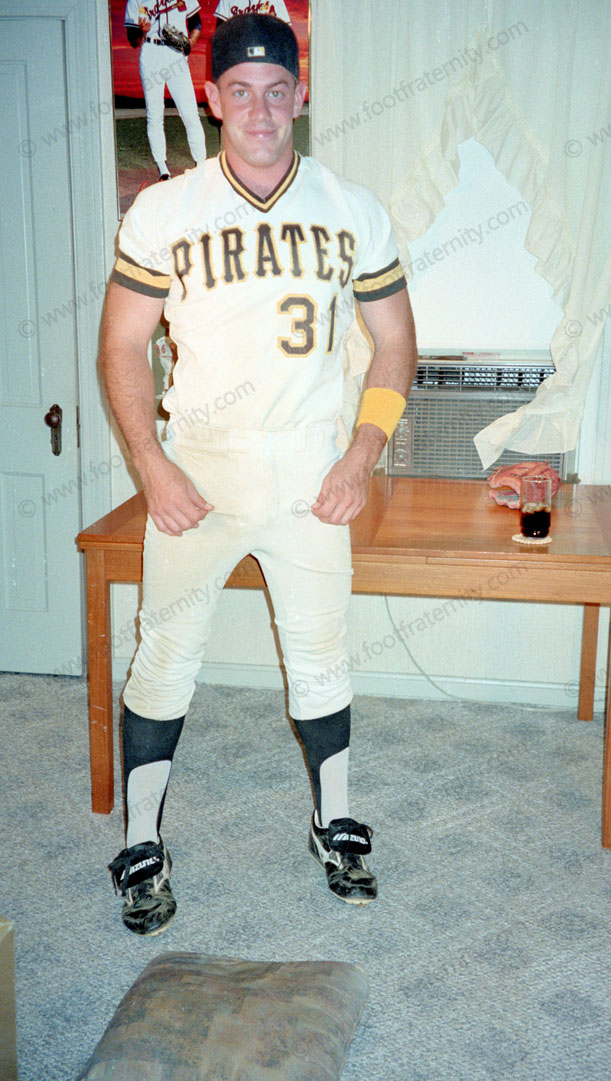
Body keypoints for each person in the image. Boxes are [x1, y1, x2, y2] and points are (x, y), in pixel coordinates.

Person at [102, 12, 417, 936]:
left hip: (313, 467)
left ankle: (333, 820)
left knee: (322, 657)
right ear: (211, 98)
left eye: (278, 91)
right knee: (164, 656)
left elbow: (396, 343)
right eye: (240, 91)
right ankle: (142, 838)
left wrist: (363, 452)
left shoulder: (352, 206)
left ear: (300, 95)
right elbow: (121, 346)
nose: (261, 110)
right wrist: (151, 464)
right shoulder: (165, 210)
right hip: (198, 465)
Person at [124, 0, 207, 180]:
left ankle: (201, 165)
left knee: (190, 113)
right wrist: (142, 31)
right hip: (151, 52)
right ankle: (163, 170)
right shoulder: (135, 1)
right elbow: (133, 41)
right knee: (154, 114)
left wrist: (191, 42)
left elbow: (196, 22)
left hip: (175, 54)